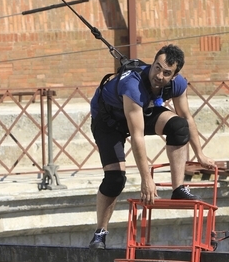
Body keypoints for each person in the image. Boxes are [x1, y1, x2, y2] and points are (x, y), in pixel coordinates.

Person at [88, 44, 217, 250]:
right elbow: (137, 135)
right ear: (153, 63)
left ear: (174, 76)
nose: (159, 75)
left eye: (166, 73)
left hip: (140, 112)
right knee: (115, 180)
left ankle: (178, 188)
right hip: (108, 121)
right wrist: (146, 179)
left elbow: (186, 116)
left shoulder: (178, 84)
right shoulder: (133, 85)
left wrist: (200, 154)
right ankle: (100, 233)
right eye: (157, 67)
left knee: (178, 126)